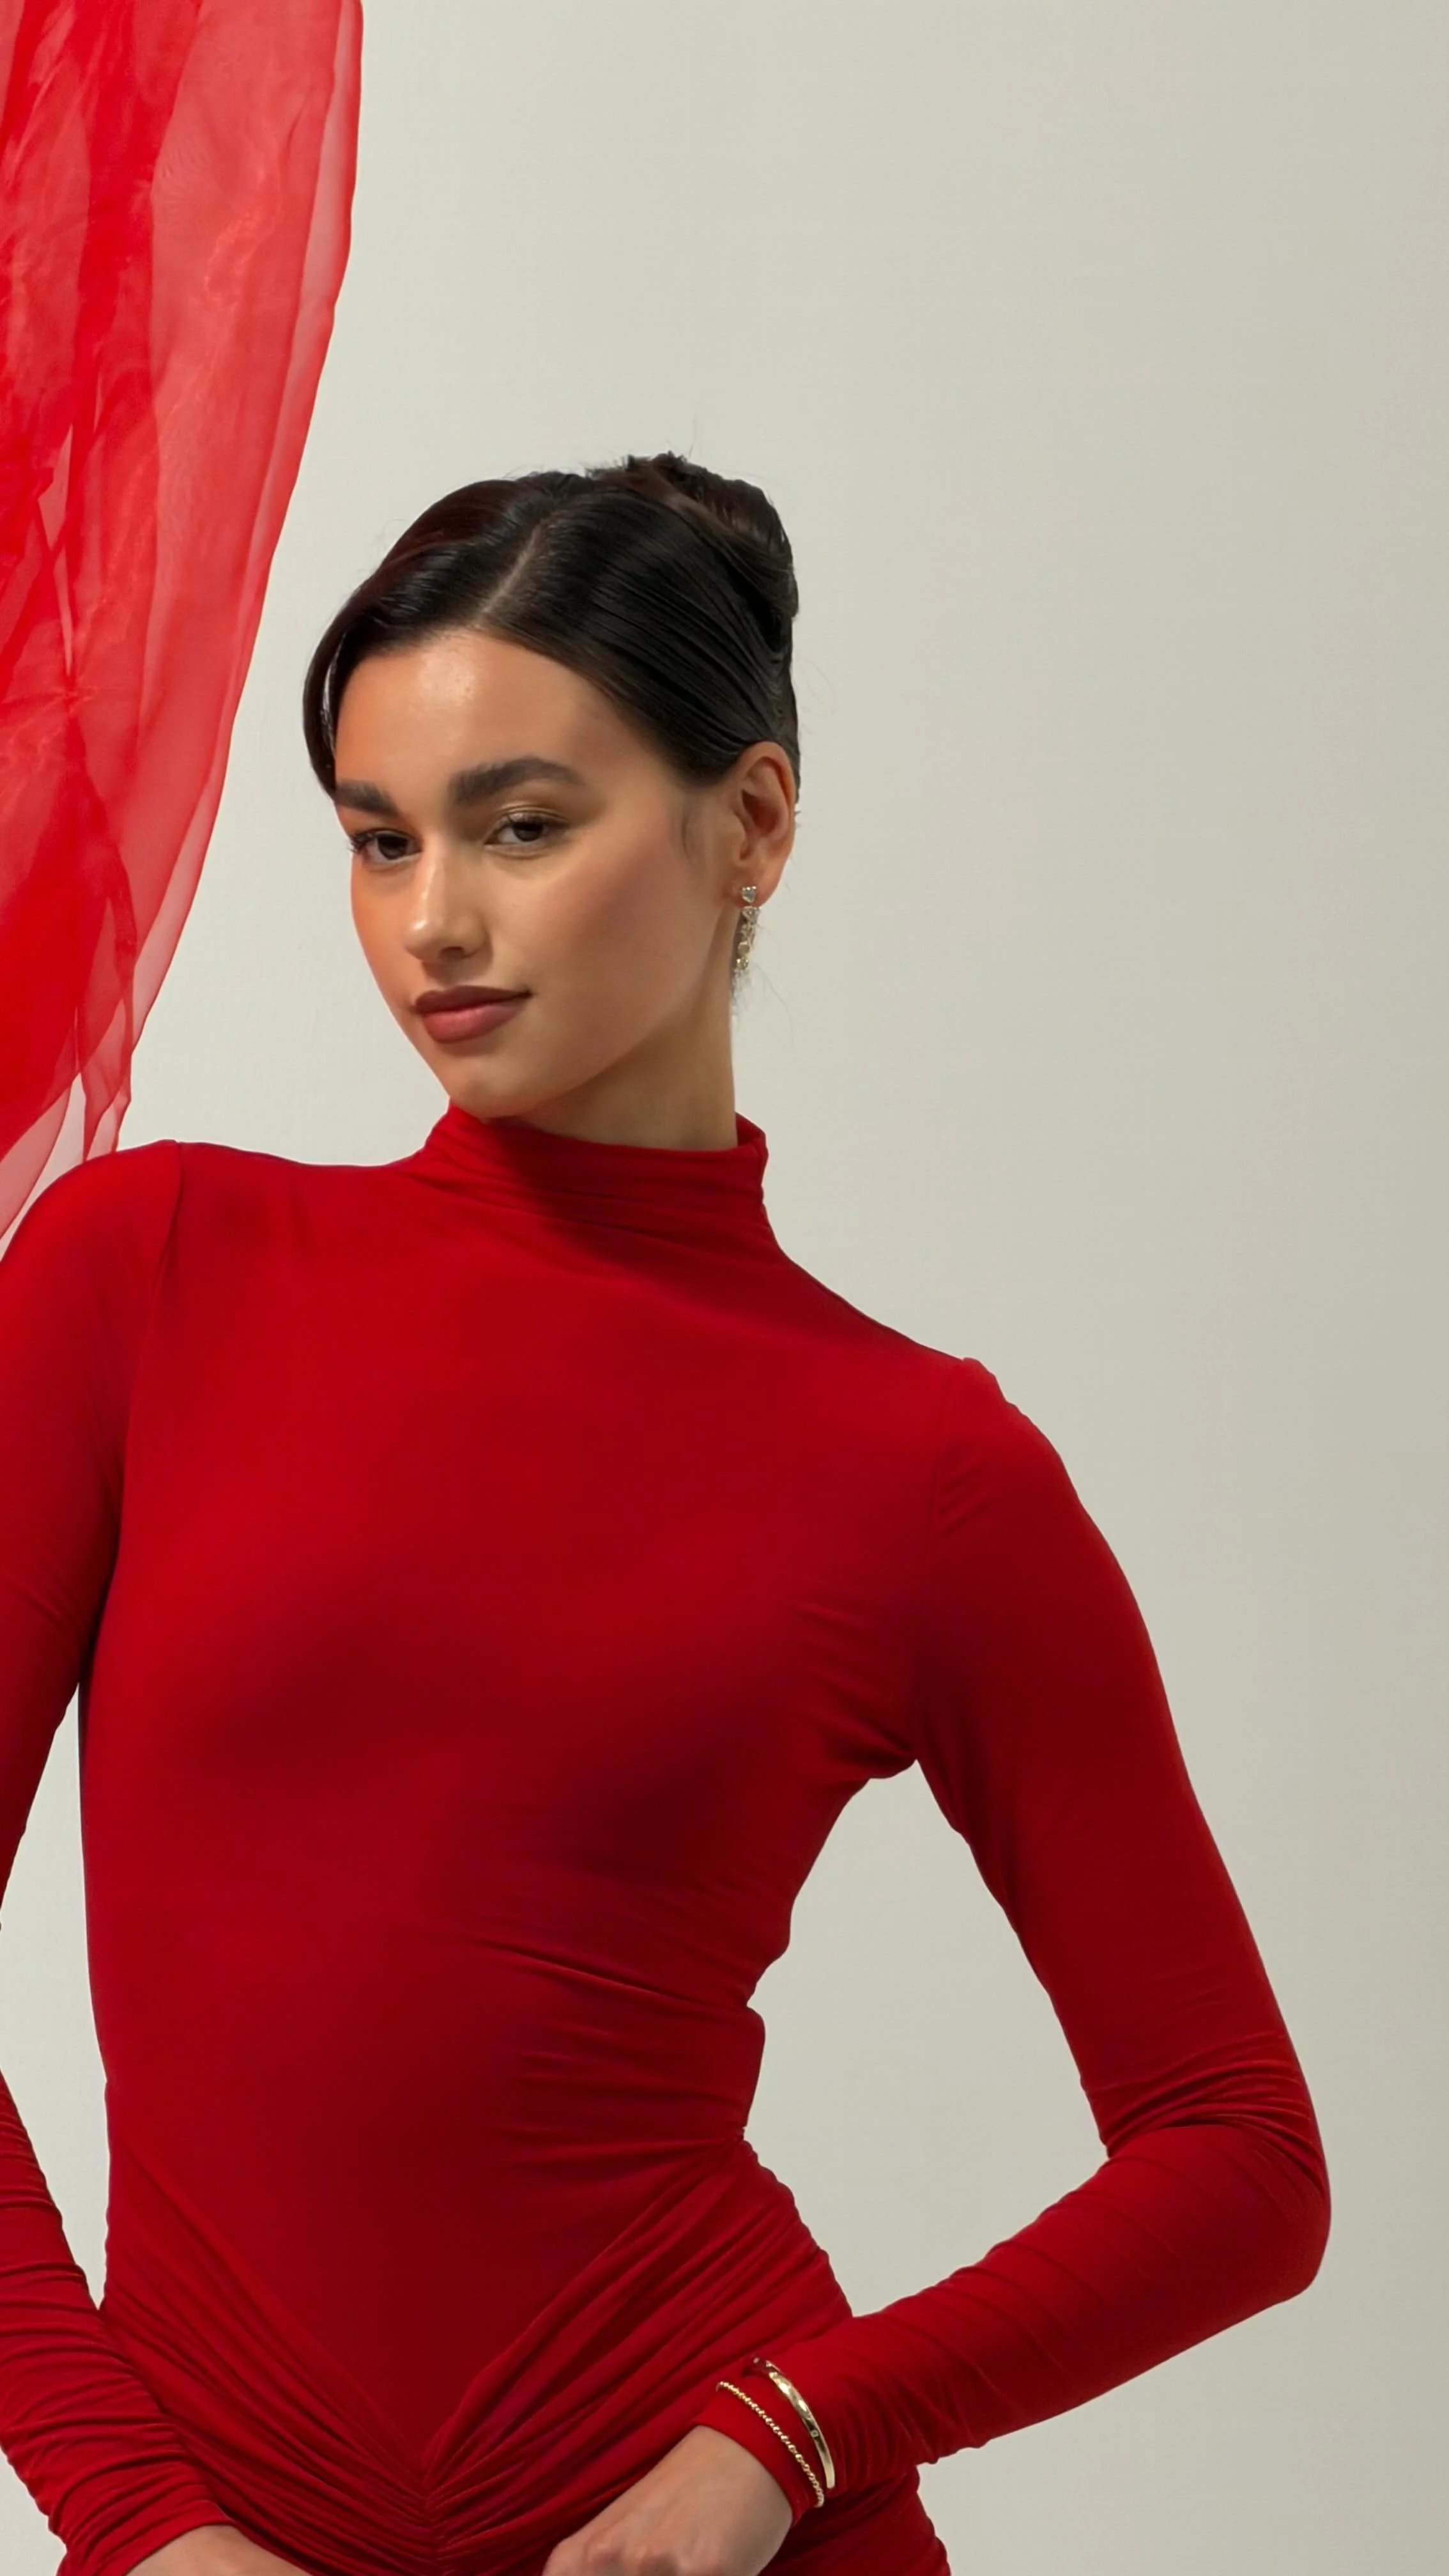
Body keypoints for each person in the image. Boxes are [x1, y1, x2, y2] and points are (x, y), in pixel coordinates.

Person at [0, 451, 1330, 2576]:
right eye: (377, 839)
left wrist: (784, 2437)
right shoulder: (144, 1275)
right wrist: (133, 2515)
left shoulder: (922, 1471)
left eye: (522, 825)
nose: (433, 921)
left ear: (755, 824)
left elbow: (1239, 2158)